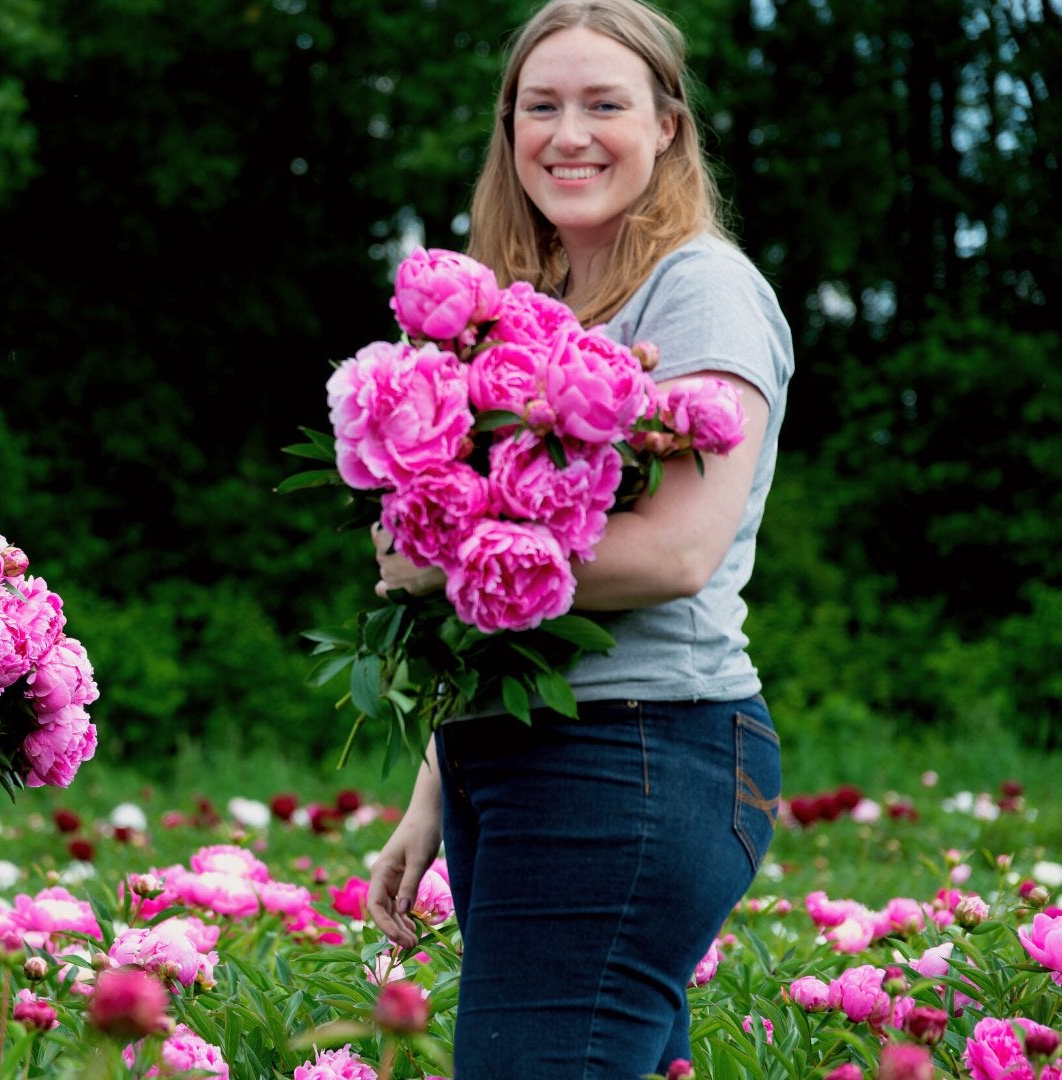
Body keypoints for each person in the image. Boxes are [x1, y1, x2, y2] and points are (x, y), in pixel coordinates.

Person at [363, 1, 793, 1075]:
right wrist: (434, 783)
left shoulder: (698, 290)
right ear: (508, 130)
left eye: (606, 104)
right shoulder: (536, 305)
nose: (569, 134)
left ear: (668, 128)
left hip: (637, 753)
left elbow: (676, 554)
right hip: (531, 751)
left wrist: (441, 567)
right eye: (540, 106)